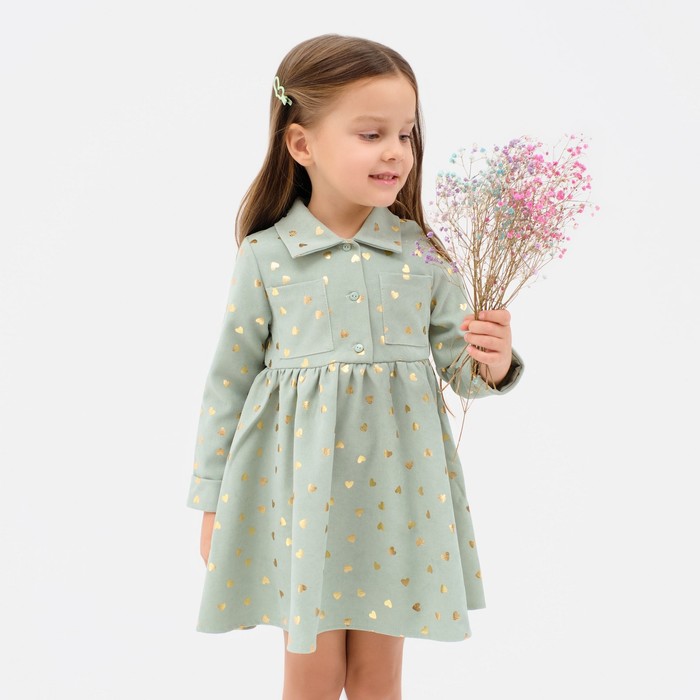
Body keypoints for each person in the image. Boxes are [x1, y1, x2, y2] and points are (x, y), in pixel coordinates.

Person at [185, 33, 524, 700]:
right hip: (298, 497)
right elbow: (228, 383)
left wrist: (495, 359)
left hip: (398, 497)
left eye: (406, 134)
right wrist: (212, 502)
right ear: (301, 144)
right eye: (372, 134)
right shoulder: (267, 256)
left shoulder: (420, 252)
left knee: (378, 676)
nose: (396, 151)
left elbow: (459, 370)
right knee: (311, 674)